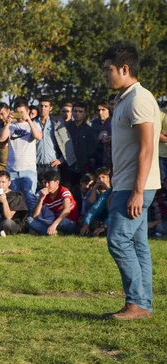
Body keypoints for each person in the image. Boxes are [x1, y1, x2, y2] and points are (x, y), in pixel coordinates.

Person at [101, 42, 161, 320]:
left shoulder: (139, 99)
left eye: (108, 69)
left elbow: (147, 148)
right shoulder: (126, 99)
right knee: (137, 245)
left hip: (138, 186)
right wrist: (117, 187)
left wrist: (137, 191)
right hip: (127, 185)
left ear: (125, 69)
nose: (105, 74)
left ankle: (136, 303)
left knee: (117, 240)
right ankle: (142, 305)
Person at [0, 97, 43, 212]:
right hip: (12, 170)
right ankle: (18, 223)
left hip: (28, 169)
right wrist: (7, 123)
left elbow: (38, 136)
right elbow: (1, 139)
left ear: (27, 111)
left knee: (30, 198)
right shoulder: (11, 126)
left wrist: (29, 120)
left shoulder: (33, 125)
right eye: (17, 112)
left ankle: (32, 224)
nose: (20, 115)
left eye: (22, 112)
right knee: (14, 199)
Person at [27, 170, 79, 235]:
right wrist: (41, 199)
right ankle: (55, 233)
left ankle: (49, 231)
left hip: (68, 221)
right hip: (54, 221)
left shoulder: (64, 191)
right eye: (45, 182)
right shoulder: (44, 194)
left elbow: (67, 210)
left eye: (49, 182)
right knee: (30, 220)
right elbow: (35, 215)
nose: (46, 185)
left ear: (57, 182)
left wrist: (54, 225)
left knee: (63, 222)